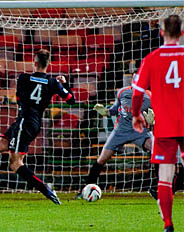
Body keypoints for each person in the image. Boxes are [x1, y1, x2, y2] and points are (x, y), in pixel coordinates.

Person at [0, 49, 75, 205]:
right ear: (48, 64)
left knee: (16, 163)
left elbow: (18, 98)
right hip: (32, 122)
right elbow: (71, 100)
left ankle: (46, 189)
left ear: (34, 62)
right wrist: (64, 84)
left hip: (24, 121)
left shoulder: (23, 78)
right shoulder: (53, 83)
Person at [132, 15, 184, 232]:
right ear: (181, 33)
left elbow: (137, 93)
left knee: (165, 175)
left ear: (161, 32)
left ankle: (168, 225)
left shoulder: (152, 58)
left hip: (165, 126)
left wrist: (136, 115)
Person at [75, 85, 154, 199]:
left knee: (157, 151)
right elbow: (115, 109)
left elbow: (158, 114)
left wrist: (153, 121)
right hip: (120, 131)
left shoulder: (150, 96)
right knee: (102, 158)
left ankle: (159, 189)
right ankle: (85, 190)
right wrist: (106, 112)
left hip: (140, 131)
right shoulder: (122, 92)